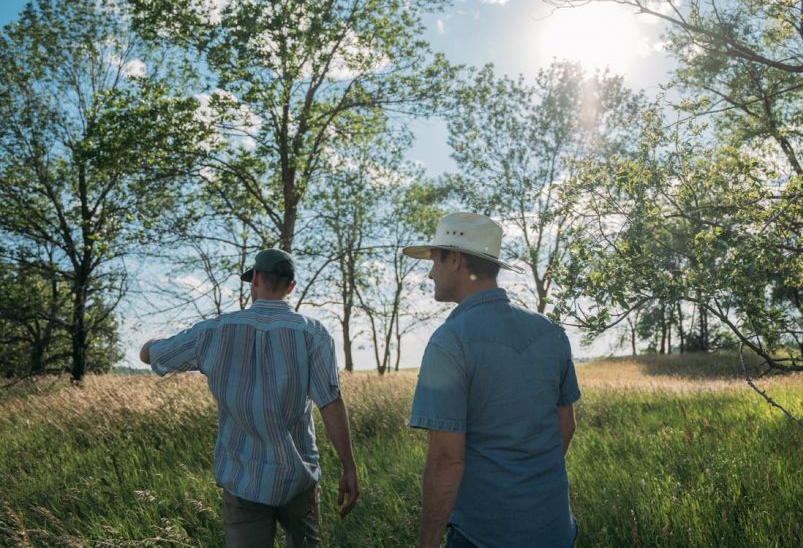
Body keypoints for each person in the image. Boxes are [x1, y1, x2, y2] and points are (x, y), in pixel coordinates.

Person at [140, 248, 358, 547]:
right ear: (291, 286)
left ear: (254, 278)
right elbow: (331, 403)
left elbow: (151, 355)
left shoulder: (215, 331)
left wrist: (152, 344)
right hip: (298, 477)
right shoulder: (313, 334)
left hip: (244, 481)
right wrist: (349, 466)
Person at [404, 212, 581, 548]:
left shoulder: (450, 341)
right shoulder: (551, 333)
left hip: (484, 536)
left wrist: (427, 541)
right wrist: (529, 486)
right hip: (555, 528)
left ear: (454, 259)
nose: (430, 273)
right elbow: (566, 425)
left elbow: (447, 459)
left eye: (434, 260)